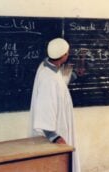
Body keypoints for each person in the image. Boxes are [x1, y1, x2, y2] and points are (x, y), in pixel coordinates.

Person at [30, 38, 80, 172]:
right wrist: (54, 136)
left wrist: (74, 75)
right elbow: (45, 105)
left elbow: (59, 86)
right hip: (57, 129)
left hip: (60, 124)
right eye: (67, 53)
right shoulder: (48, 79)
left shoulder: (48, 66)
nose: (68, 54)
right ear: (63, 56)